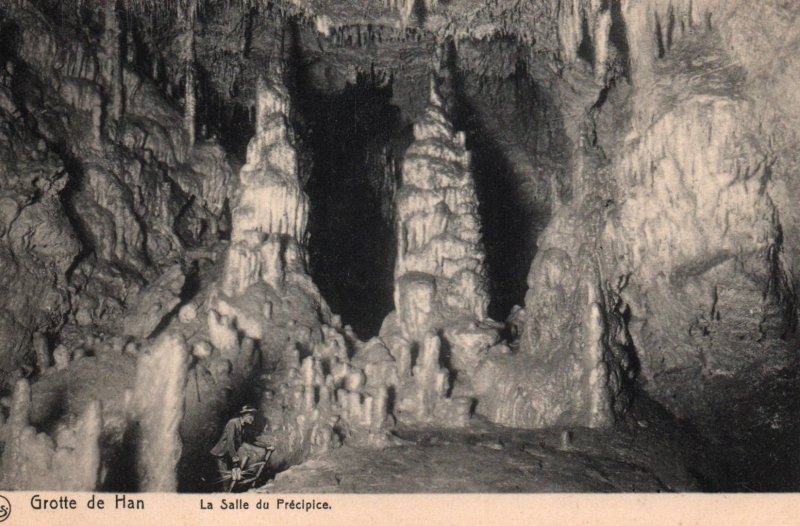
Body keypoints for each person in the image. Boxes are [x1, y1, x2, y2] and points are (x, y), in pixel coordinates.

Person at [210, 405, 257, 483]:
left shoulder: (244, 426)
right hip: (222, 454)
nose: (253, 419)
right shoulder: (233, 422)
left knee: (233, 478)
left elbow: (251, 441)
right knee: (226, 479)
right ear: (244, 416)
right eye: (250, 416)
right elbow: (230, 441)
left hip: (230, 454)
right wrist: (234, 457)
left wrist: (266, 446)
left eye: (253, 416)